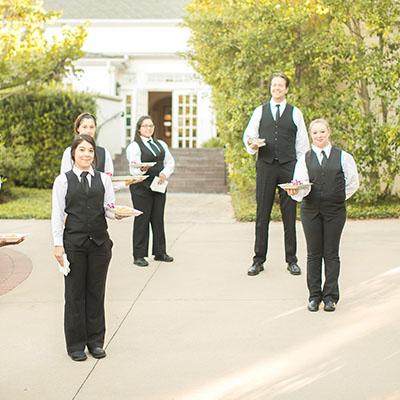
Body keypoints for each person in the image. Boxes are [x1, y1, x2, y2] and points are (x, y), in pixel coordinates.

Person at [52, 134, 128, 362]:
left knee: (96, 294)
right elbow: (57, 214)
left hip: (99, 245)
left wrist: (118, 215)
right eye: (82, 150)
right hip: (74, 244)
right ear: (73, 153)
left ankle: (95, 342)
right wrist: (58, 245)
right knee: (75, 295)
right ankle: (75, 345)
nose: (86, 154)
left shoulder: (103, 180)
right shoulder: (63, 180)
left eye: (90, 151)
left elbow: (108, 208)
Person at [284, 119, 359, 312]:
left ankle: (331, 297)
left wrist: (337, 197)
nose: (319, 136)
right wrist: (295, 192)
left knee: (331, 253)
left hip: (335, 211)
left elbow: (352, 183)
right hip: (311, 211)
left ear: (328, 132)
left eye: (322, 132)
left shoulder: (344, 157)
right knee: (313, 253)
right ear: (311, 135)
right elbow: (300, 185)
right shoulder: (304, 159)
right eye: (315, 132)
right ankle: (314, 296)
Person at [243, 72, 310, 277]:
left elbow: (302, 144)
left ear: (287, 89)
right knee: (262, 214)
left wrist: (300, 173)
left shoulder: (295, 112)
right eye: (274, 85)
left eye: (281, 85)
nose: (277, 88)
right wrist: (252, 145)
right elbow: (249, 137)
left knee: (289, 215)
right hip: (265, 166)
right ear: (271, 88)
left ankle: (292, 260)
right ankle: (258, 260)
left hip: (288, 167)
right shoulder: (260, 111)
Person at [126, 115, 175, 267]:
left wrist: (164, 174)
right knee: (142, 219)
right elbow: (133, 168)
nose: (149, 128)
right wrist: (141, 169)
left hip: (158, 185)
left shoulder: (160, 144)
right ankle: (139, 255)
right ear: (139, 129)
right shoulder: (134, 146)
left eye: (151, 126)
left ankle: (160, 252)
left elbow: (169, 162)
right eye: (145, 126)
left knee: (158, 218)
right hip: (141, 187)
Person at [60, 112, 142, 188]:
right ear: (78, 128)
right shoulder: (69, 152)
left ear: (95, 128)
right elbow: (64, 181)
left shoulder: (104, 153)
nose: (88, 131)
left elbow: (108, 183)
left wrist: (125, 183)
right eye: (84, 127)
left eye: (91, 127)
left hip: (98, 201)